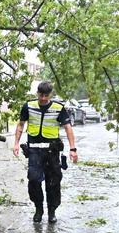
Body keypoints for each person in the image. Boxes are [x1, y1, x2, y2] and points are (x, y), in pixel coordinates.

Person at [12, 81, 78, 223]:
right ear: (37, 93)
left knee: (53, 182)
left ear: (50, 95)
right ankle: (38, 209)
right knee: (34, 181)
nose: (43, 98)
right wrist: (16, 143)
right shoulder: (29, 106)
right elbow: (20, 125)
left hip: (52, 152)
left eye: (46, 96)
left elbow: (68, 128)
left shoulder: (58, 108)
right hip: (34, 152)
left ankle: (52, 211)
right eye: (41, 95)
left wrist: (73, 149)